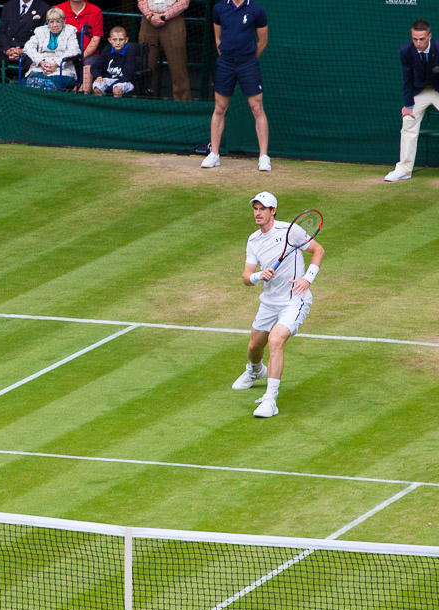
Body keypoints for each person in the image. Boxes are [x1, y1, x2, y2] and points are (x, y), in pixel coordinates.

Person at [231, 192, 325, 418]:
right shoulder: (253, 240)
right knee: (255, 346)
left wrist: (307, 278)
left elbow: (317, 251)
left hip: (294, 300)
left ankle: (270, 400)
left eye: (263, 209)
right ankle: (255, 371)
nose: (258, 213)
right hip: (269, 302)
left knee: (275, 340)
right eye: (255, 208)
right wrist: (258, 275)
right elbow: (246, 277)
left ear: (273, 211)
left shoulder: (290, 231)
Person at [384, 20, 439, 186]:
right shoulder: (406, 50)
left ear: (429, 36)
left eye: (422, 39)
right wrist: (408, 104)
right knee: (408, 121)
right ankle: (403, 169)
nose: (418, 43)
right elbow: (406, 78)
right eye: (415, 39)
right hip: (421, 90)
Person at [201, 0, 269, 171]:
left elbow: (262, 41)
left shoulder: (256, 10)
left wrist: (250, 59)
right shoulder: (219, 8)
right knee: (220, 108)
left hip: (248, 64)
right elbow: (218, 38)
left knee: (256, 107)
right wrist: (227, 57)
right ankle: (214, 154)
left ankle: (263, 157)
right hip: (226, 63)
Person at [0, 0, 49, 82]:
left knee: (32, 65)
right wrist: (7, 50)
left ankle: (22, 89)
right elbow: (2, 33)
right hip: (9, 48)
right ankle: (1, 86)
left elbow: (41, 37)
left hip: (28, 52)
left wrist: (22, 51)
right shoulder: (9, 5)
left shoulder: (43, 8)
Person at [136, 0, 190, 101]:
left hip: (173, 21)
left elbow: (184, 2)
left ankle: (182, 105)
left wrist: (164, 16)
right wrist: (150, 16)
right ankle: (144, 102)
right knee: (145, 65)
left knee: (178, 66)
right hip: (148, 21)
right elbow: (141, 1)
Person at [20, 6, 79, 90]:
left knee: (45, 83)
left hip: (62, 70)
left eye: (58, 22)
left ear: (63, 22)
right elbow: (28, 47)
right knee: (27, 82)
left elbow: (74, 50)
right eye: (51, 22)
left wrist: (56, 64)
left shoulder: (70, 31)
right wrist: (41, 61)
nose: (54, 25)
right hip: (40, 69)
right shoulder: (40, 31)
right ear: (47, 22)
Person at [53, 0, 102, 92]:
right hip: (64, 52)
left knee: (89, 65)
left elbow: (96, 38)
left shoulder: (96, 10)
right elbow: (52, 35)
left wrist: (82, 56)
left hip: (87, 53)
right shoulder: (57, 9)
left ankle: (83, 96)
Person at [91, 26, 136, 97]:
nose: (118, 43)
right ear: (110, 40)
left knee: (117, 89)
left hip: (124, 81)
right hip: (107, 79)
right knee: (97, 88)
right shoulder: (107, 50)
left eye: (121, 39)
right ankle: (100, 107)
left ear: (126, 40)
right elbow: (94, 67)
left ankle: (116, 107)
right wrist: (98, 76)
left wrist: (111, 86)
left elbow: (127, 76)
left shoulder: (130, 52)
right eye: (115, 40)